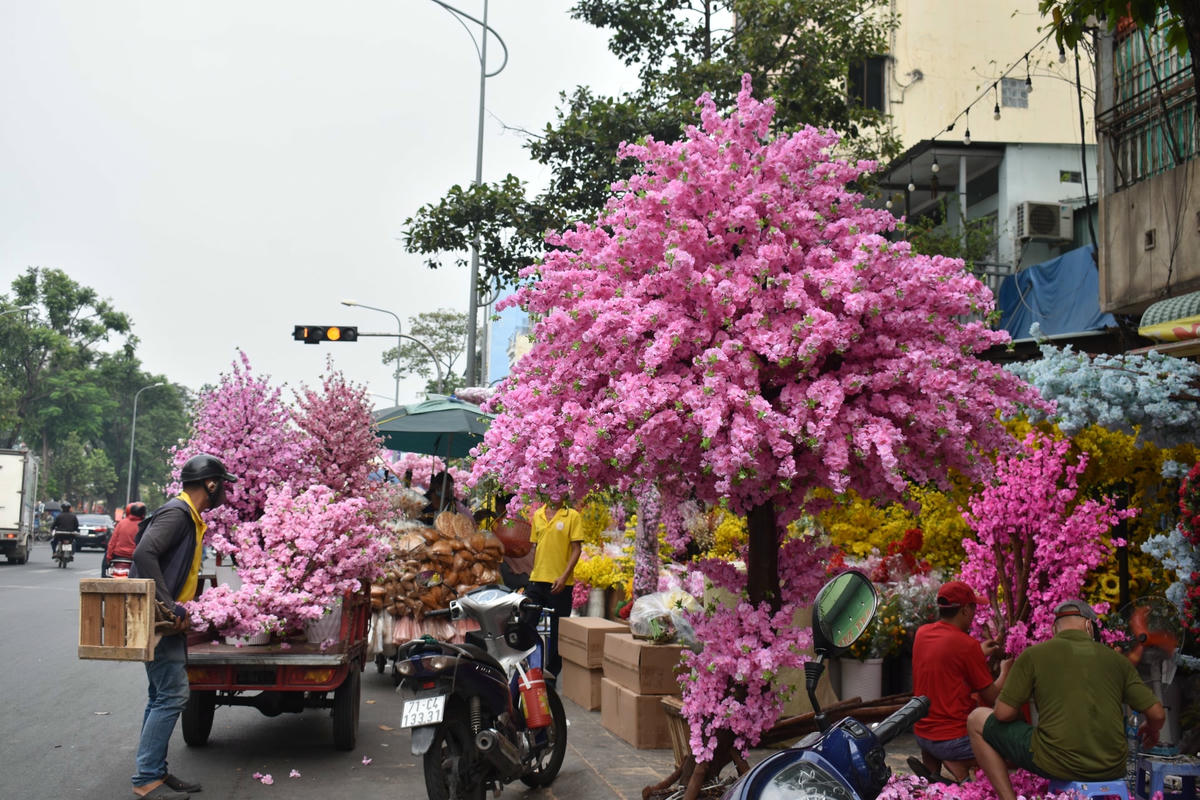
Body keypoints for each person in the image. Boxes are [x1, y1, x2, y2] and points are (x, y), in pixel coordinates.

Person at [967, 599, 1166, 800]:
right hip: (1112, 767)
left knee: (976, 718)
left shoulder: (1034, 655)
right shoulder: (1118, 661)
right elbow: (1157, 714)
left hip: (1056, 763)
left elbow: (1003, 714)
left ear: (1055, 629)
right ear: (1089, 625)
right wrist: (1151, 728)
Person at [128, 453, 237, 799]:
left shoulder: (188, 516)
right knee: (172, 695)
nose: (225, 493)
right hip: (160, 617)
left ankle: (154, 772)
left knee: (159, 695)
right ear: (210, 483)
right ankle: (147, 777)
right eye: (223, 485)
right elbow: (144, 553)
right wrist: (168, 602)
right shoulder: (178, 513)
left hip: (167, 620)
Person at [910, 580, 1012, 782]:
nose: (974, 616)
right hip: (952, 739)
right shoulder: (966, 645)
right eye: (973, 609)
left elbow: (945, 660)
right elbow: (992, 696)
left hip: (921, 732)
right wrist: (1006, 672)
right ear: (965, 610)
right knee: (1011, 751)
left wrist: (977, 653)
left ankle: (935, 771)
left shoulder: (922, 633)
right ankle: (958, 763)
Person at [524, 499, 584, 680]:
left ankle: (551, 674)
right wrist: (532, 572)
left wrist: (564, 577)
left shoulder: (572, 515)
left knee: (558, 633)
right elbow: (536, 547)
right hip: (537, 581)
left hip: (561, 584)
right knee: (526, 625)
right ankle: (527, 668)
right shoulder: (538, 515)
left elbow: (577, 549)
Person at [105, 502, 147, 577]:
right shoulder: (144, 525)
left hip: (118, 555)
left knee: (105, 569)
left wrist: (108, 558)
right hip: (135, 558)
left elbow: (112, 542)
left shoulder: (121, 523)